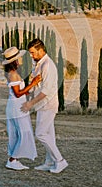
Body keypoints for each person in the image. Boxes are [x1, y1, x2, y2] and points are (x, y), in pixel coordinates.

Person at [21, 38, 68, 174]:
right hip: (42, 105)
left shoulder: (47, 65)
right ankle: (49, 162)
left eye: (33, 53)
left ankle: (60, 161)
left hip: (48, 105)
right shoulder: (39, 64)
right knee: (49, 135)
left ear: (41, 50)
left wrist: (30, 103)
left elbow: (46, 91)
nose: (31, 56)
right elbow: (36, 84)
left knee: (40, 134)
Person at [2, 46, 41, 171]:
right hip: (16, 107)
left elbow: (19, 92)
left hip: (17, 105)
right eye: (17, 60)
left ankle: (14, 160)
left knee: (19, 133)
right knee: (24, 132)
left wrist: (29, 90)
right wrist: (32, 84)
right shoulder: (12, 75)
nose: (19, 62)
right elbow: (18, 93)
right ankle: (12, 160)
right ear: (13, 62)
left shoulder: (14, 74)